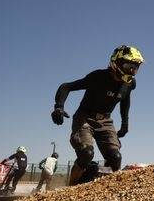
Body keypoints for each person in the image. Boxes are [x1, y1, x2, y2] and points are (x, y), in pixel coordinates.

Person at [51, 45, 144, 185]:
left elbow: (125, 99)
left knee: (115, 157)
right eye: (128, 66)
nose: (132, 71)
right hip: (85, 118)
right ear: (116, 62)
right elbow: (66, 86)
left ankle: (108, 191)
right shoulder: (98, 77)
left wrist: (125, 123)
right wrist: (59, 107)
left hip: (106, 121)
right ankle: (69, 189)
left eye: (135, 67)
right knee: (86, 153)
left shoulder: (130, 84)